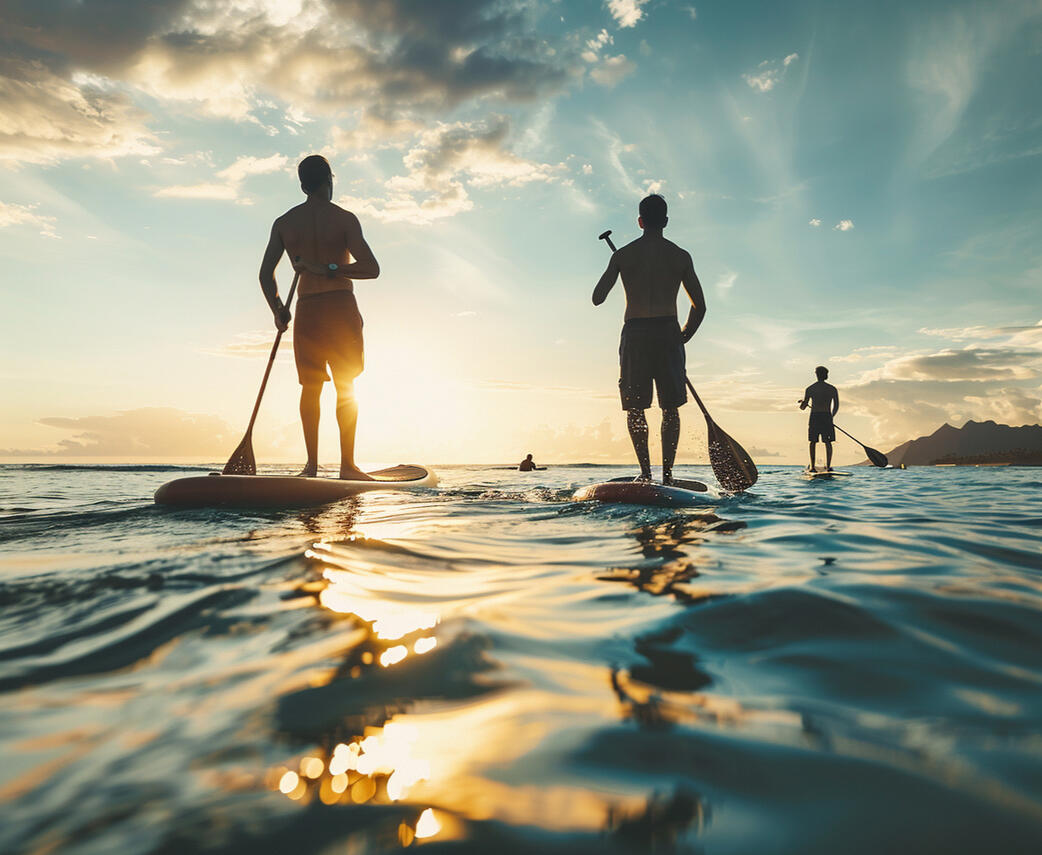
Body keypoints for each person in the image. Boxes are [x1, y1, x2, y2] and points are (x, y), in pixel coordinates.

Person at [258, 155, 380, 480]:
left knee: (311, 388)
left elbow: (265, 275)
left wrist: (278, 309)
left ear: (302, 185)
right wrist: (333, 269)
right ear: (330, 179)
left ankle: (311, 467)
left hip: (307, 308)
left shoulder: (284, 223)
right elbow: (371, 268)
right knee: (345, 385)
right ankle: (348, 467)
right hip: (340, 307)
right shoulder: (344, 219)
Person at [592, 194, 706, 484]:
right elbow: (699, 306)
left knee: (635, 408)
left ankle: (645, 473)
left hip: (636, 334)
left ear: (640, 221)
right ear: (665, 221)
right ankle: (667, 475)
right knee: (670, 408)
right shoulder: (680, 256)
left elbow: (597, 298)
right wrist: (684, 335)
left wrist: (619, 269)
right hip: (669, 332)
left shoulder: (622, 255)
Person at [799, 366, 839, 471]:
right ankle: (828, 466)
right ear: (826, 375)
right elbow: (836, 406)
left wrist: (802, 403)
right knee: (827, 442)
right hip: (826, 416)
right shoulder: (832, 389)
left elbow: (803, 408)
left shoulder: (810, 389)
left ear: (816, 374)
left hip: (815, 417)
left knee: (813, 442)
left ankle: (812, 467)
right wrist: (831, 416)